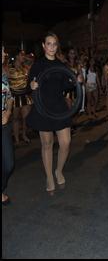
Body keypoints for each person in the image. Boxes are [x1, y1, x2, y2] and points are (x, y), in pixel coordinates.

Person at [26, 33, 82, 193]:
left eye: (54, 44)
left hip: (59, 107)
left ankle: (58, 170)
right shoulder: (38, 65)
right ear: (44, 46)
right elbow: (29, 83)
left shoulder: (61, 65)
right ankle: (49, 176)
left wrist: (75, 81)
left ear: (57, 46)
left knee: (65, 142)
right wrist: (32, 84)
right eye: (48, 44)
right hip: (43, 107)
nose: (51, 47)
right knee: (47, 144)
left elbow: (67, 84)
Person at [8, 50, 32, 145]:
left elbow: (31, 63)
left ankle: (24, 135)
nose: (24, 56)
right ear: (17, 56)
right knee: (15, 118)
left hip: (24, 95)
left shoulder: (25, 67)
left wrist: (26, 58)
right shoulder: (9, 68)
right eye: (22, 55)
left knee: (25, 118)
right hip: (14, 96)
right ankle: (17, 139)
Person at [2, 44, 14, 205]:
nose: (5, 53)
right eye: (2, 50)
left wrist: (8, 112)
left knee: (9, 163)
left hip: (4, 124)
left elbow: (10, 97)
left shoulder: (3, 74)